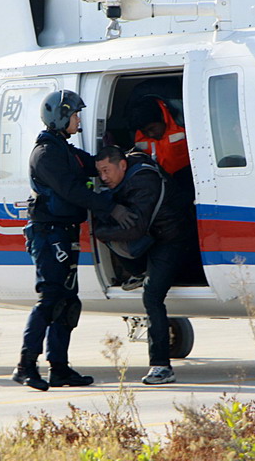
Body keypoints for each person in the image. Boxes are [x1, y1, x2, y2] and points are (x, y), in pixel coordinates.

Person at [12, 91, 137, 391]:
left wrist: (129, 160)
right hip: (48, 234)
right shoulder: (46, 154)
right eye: (75, 115)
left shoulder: (65, 151)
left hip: (65, 233)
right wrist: (111, 207)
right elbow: (72, 191)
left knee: (68, 303)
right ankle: (25, 365)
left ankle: (60, 369)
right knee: (49, 300)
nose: (78, 120)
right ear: (61, 116)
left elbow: (94, 163)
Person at [94, 145, 194, 385]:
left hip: (171, 240)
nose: (104, 178)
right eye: (100, 172)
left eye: (107, 170)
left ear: (123, 165)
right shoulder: (134, 170)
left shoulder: (144, 182)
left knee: (152, 296)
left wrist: (100, 231)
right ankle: (140, 271)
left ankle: (161, 367)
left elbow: (136, 228)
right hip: (157, 237)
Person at [126, 95, 194, 202]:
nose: (150, 134)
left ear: (162, 117)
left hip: (190, 182)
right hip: (160, 188)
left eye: (152, 128)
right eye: (145, 132)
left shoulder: (185, 120)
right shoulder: (137, 132)